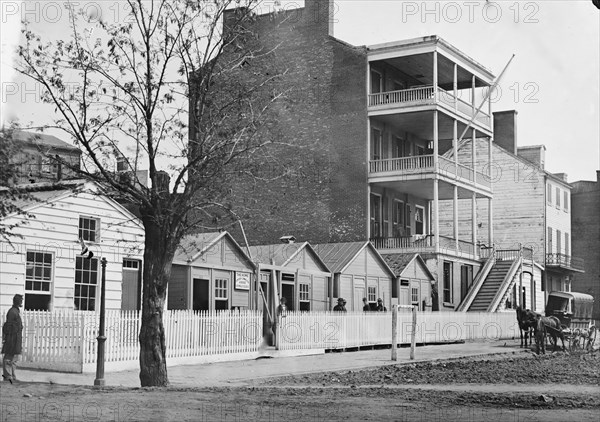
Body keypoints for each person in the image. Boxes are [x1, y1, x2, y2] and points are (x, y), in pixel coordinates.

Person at [2, 294, 23, 384]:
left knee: (14, 358)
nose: (21, 302)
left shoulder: (16, 311)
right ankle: (7, 377)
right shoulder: (12, 312)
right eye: (20, 300)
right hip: (11, 337)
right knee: (8, 357)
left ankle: (12, 376)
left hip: (16, 337)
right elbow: (8, 326)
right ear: (16, 301)